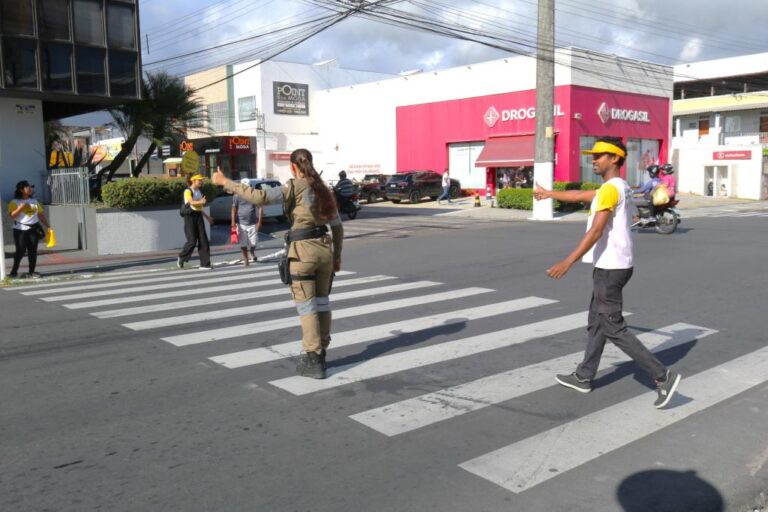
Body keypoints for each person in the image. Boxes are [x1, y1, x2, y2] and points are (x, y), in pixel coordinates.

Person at [532, 136, 681, 409]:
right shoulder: (617, 187)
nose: (594, 160)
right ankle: (584, 375)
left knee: (612, 325)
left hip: (612, 268)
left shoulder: (612, 189)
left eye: (599, 155)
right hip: (613, 266)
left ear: (614, 158)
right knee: (598, 321)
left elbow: (597, 230)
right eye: (593, 155)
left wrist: (568, 261)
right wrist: (549, 194)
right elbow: (579, 196)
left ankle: (663, 376)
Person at [212, 148, 344, 379]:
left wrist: (225, 181)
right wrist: (337, 257)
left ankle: (312, 358)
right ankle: (322, 349)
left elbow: (259, 197)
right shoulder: (323, 190)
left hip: (303, 252)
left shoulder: (293, 186)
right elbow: (338, 227)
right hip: (324, 249)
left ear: (293, 166)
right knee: (322, 303)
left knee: (307, 306)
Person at [7, 180, 50, 279]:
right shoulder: (14, 202)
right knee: (20, 251)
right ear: (21, 190)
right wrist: (21, 208)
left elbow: (40, 215)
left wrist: (48, 226)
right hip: (20, 230)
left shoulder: (34, 201)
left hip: (33, 229)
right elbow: (12, 216)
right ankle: (14, 271)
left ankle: (32, 271)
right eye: (27, 187)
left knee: (33, 251)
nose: (30, 189)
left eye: (30, 187)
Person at [177, 174, 214, 270]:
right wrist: (201, 201)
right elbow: (191, 202)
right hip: (189, 217)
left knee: (203, 240)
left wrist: (207, 217)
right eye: (199, 180)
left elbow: (199, 207)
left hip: (198, 216)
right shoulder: (187, 191)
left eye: (201, 180)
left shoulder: (198, 191)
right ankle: (182, 257)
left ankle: (205, 264)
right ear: (193, 181)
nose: (201, 182)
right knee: (192, 241)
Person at [231, 178, 262, 267]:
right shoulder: (237, 196)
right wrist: (233, 221)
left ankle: (252, 251)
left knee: (254, 243)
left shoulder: (253, 195)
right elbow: (234, 208)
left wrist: (259, 221)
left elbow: (260, 207)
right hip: (241, 223)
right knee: (243, 243)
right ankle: (246, 258)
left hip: (253, 223)